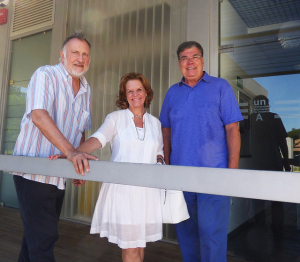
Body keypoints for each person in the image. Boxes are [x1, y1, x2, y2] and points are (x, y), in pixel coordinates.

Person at [12, 30, 98, 262]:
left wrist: (77, 158)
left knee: (34, 239)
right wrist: (71, 153)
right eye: (74, 53)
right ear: (62, 55)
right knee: (44, 239)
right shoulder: (45, 75)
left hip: (58, 174)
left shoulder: (86, 89)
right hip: (33, 172)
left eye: (85, 54)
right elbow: (38, 115)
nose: (80, 58)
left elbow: (80, 130)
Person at [65, 72, 164, 262]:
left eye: (138, 90)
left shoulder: (156, 124)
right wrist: (72, 153)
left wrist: (159, 163)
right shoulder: (116, 118)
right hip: (123, 193)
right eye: (130, 91)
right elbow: (97, 139)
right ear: (124, 96)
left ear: (146, 93)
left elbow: (159, 152)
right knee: (131, 247)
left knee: (139, 245)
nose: (135, 94)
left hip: (148, 193)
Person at [159, 41, 243, 262]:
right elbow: (165, 133)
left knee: (212, 235)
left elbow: (233, 129)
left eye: (194, 56)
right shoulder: (172, 93)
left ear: (203, 60)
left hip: (214, 176)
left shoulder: (220, 87)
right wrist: (167, 168)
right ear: (179, 64)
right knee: (186, 234)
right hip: (180, 177)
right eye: (184, 58)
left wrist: (231, 172)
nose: (190, 61)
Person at [250, 95, 290, 236]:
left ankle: (260, 226)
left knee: (257, 198)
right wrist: (286, 161)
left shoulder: (250, 119)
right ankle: (277, 228)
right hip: (274, 162)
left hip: (255, 164)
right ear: (267, 105)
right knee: (276, 198)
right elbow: (282, 142)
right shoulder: (274, 117)